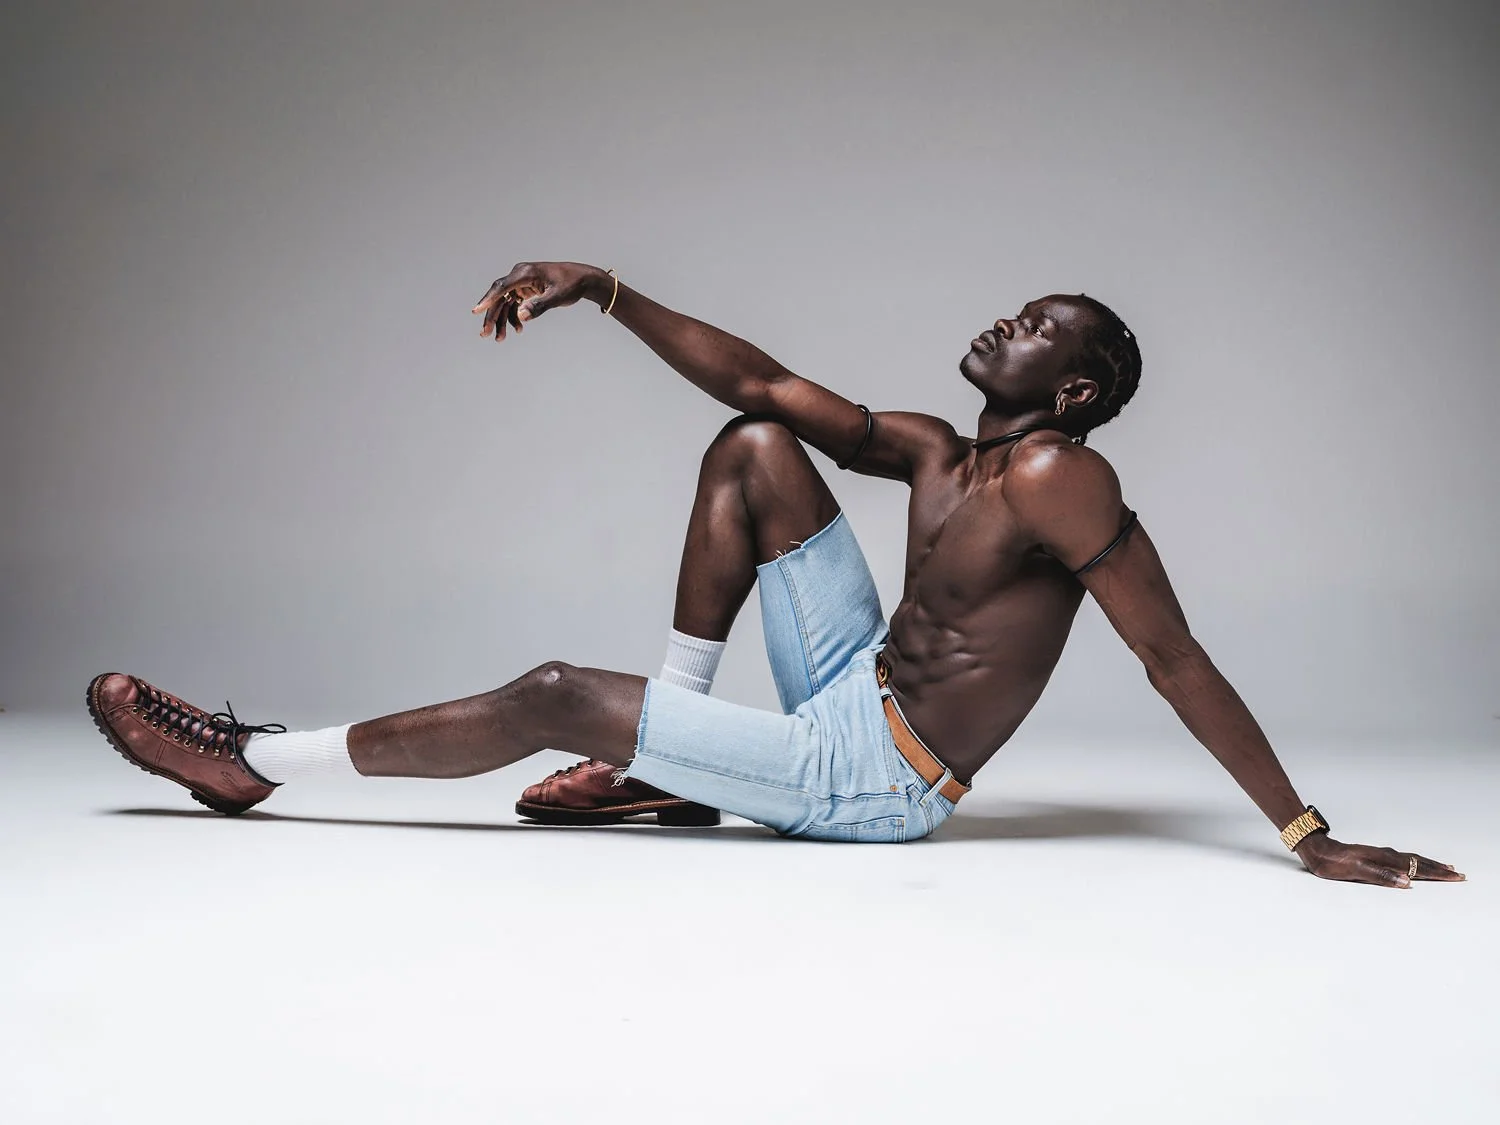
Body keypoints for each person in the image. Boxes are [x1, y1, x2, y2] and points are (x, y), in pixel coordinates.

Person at [87, 260, 1463, 888]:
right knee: (755, 444)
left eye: (1038, 326)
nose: (1006, 319)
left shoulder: (1061, 478)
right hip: (844, 699)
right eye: (1018, 304)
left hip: (881, 781)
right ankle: (662, 763)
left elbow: (1175, 659)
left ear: (1079, 386)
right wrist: (607, 292)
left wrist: (1302, 831)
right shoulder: (940, 454)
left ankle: (256, 763)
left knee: (557, 688)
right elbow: (759, 382)